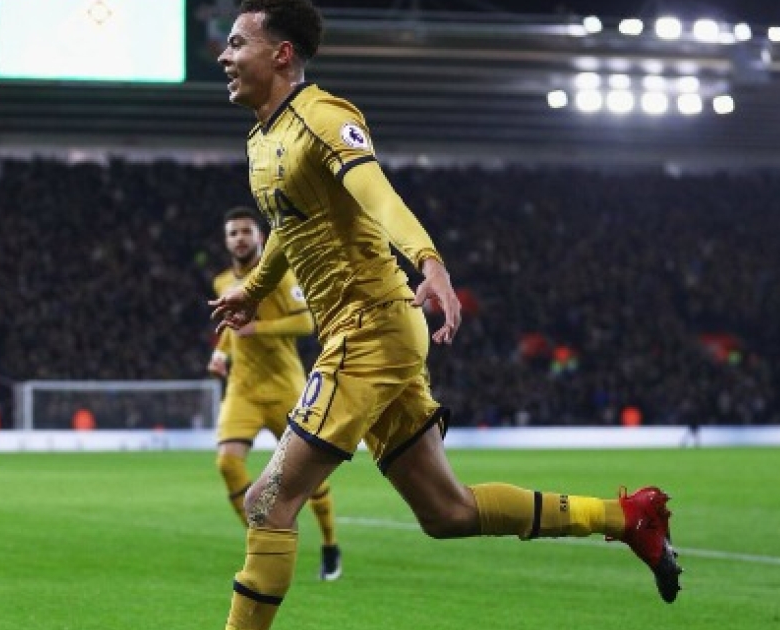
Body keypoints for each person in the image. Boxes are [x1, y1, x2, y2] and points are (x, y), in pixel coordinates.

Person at [208, 2, 682, 628]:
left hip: (370, 329)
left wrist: (429, 261)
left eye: (237, 43)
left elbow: (378, 195)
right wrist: (254, 288)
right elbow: (286, 225)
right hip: (366, 334)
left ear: (281, 54)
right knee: (447, 512)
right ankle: (627, 517)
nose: (224, 56)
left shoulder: (323, 117)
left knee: (268, 503)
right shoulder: (261, 138)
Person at [208, 206, 342, 580]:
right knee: (227, 463)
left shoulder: (280, 275)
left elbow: (305, 322)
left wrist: (258, 329)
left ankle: (330, 545)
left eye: (245, 231)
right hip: (243, 389)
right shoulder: (222, 282)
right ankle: (262, 541)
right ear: (226, 241)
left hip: (286, 386)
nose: (239, 238)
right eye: (233, 233)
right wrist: (221, 353)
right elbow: (231, 324)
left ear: (261, 237)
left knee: (310, 474)